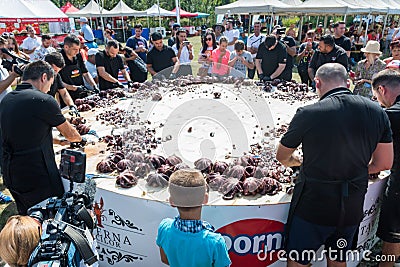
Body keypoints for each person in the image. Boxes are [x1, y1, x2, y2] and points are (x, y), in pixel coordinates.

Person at [276, 63, 393, 267]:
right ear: (348, 82)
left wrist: (298, 162)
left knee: (298, 261)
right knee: (339, 259)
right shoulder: (377, 111)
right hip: (352, 205)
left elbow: (282, 155)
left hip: (313, 204)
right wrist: (356, 171)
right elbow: (384, 163)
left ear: (317, 83)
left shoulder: (308, 113)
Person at [0, 61, 83, 215]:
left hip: (11, 173)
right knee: (49, 220)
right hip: (37, 174)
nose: (49, 89)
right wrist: (81, 139)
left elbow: (27, 132)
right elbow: (71, 134)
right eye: (51, 84)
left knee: (27, 218)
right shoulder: (43, 100)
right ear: (44, 77)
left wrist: (58, 141)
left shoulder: (7, 100)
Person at [156, 169, 231, 267]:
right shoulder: (216, 242)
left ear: (171, 202)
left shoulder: (164, 227)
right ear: (205, 199)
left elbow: (165, 260)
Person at [372, 70, 400, 267]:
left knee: (392, 237)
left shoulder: (389, 115)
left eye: (377, 97)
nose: (379, 102)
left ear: (382, 89)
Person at [59, 35, 97, 103]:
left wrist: (94, 86)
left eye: (78, 49)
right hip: (66, 96)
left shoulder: (78, 55)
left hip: (81, 93)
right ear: (66, 47)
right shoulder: (58, 58)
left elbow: (85, 73)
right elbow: (56, 81)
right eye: (75, 49)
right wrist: (73, 87)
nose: (77, 52)